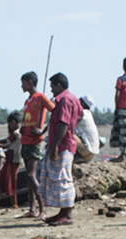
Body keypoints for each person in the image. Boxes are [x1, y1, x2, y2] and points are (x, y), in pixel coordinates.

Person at [40, 73, 86, 226]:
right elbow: (79, 115)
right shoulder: (72, 98)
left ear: (59, 85)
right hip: (65, 143)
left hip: (63, 145)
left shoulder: (65, 100)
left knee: (62, 179)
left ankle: (67, 213)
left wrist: (54, 147)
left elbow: (64, 124)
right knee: (61, 177)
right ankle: (63, 212)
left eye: (53, 86)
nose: (51, 90)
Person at [18, 71, 55, 219]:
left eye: (23, 82)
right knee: (28, 177)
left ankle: (43, 208)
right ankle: (32, 209)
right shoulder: (28, 101)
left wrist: (43, 130)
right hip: (25, 140)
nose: (21, 85)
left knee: (31, 174)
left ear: (30, 82)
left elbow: (55, 111)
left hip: (36, 141)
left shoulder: (41, 97)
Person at [0, 112, 22, 208]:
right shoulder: (16, 133)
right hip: (9, 158)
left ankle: (14, 203)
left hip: (14, 159)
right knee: (1, 180)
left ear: (13, 122)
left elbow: (7, 143)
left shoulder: (17, 133)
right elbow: (5, 141)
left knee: (11, 181)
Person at [74, 95, 100, 163]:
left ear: (82, 104)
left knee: (67, 132)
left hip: (87, 151)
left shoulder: (81, 113)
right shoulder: (88, 114)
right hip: (93, 152)